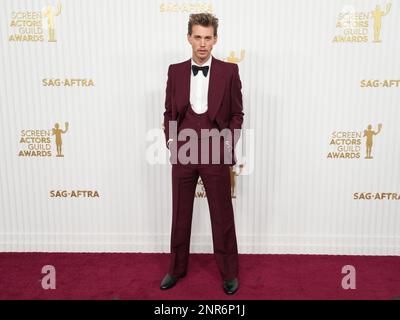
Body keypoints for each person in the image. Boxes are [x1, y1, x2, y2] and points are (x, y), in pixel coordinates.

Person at [161, 13, 244, 295]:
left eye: (208, 38)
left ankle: (229, 273)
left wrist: (227, 145)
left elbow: (236, 113)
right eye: (197, 37)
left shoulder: (229, 72)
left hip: (215, 149)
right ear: (189, 38)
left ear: (215, 40)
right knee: (180, 213)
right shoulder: (174, 71)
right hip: (183, 148)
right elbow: (169, 112)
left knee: (222, 215)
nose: (202, 44)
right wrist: (171, 143)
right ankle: (176, 269)